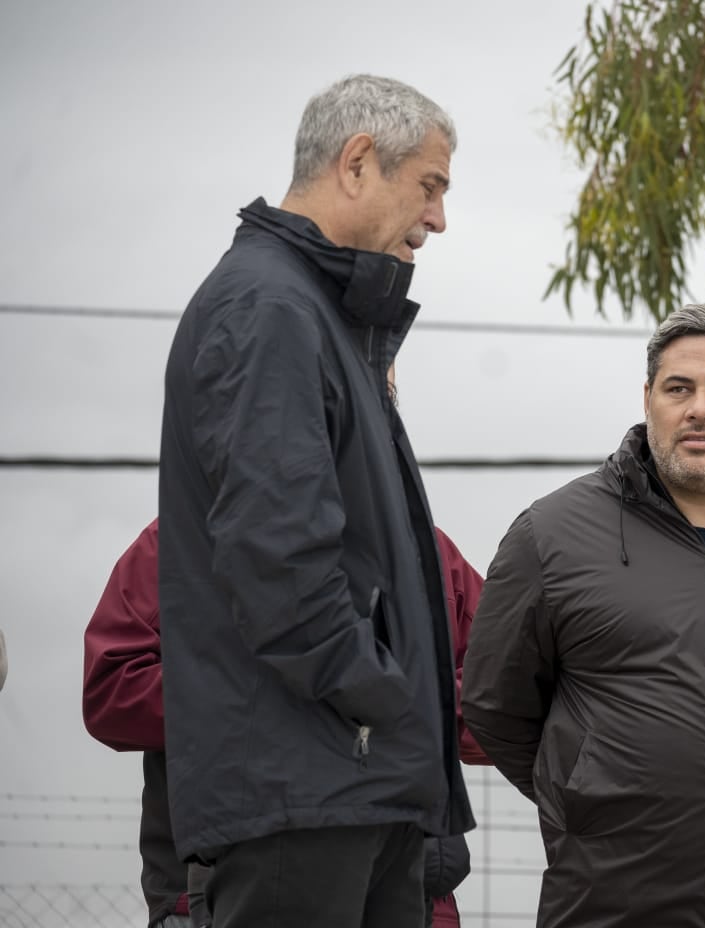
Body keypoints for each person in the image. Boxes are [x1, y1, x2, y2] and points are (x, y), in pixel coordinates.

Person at [157, 74, 470, 927]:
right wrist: (379, 694)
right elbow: (278, 553)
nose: (439, 218)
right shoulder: (270, 308)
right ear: (359, 162)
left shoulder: (320, 316)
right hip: (308, 795)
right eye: (431, 186)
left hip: (350, 785)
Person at [461, 303, 705, 927]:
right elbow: (494, 702)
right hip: (607, 902)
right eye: (679, 388)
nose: (699, 407)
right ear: (648, 399)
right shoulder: (552, 534)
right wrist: (584, 791)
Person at [82, 519, 489, 928]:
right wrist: (279, 700)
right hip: (222, 888)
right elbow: (113, 688)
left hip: (418, 897)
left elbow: (502, 692)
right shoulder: (187, 534)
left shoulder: (423, 545)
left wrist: (398, 701)